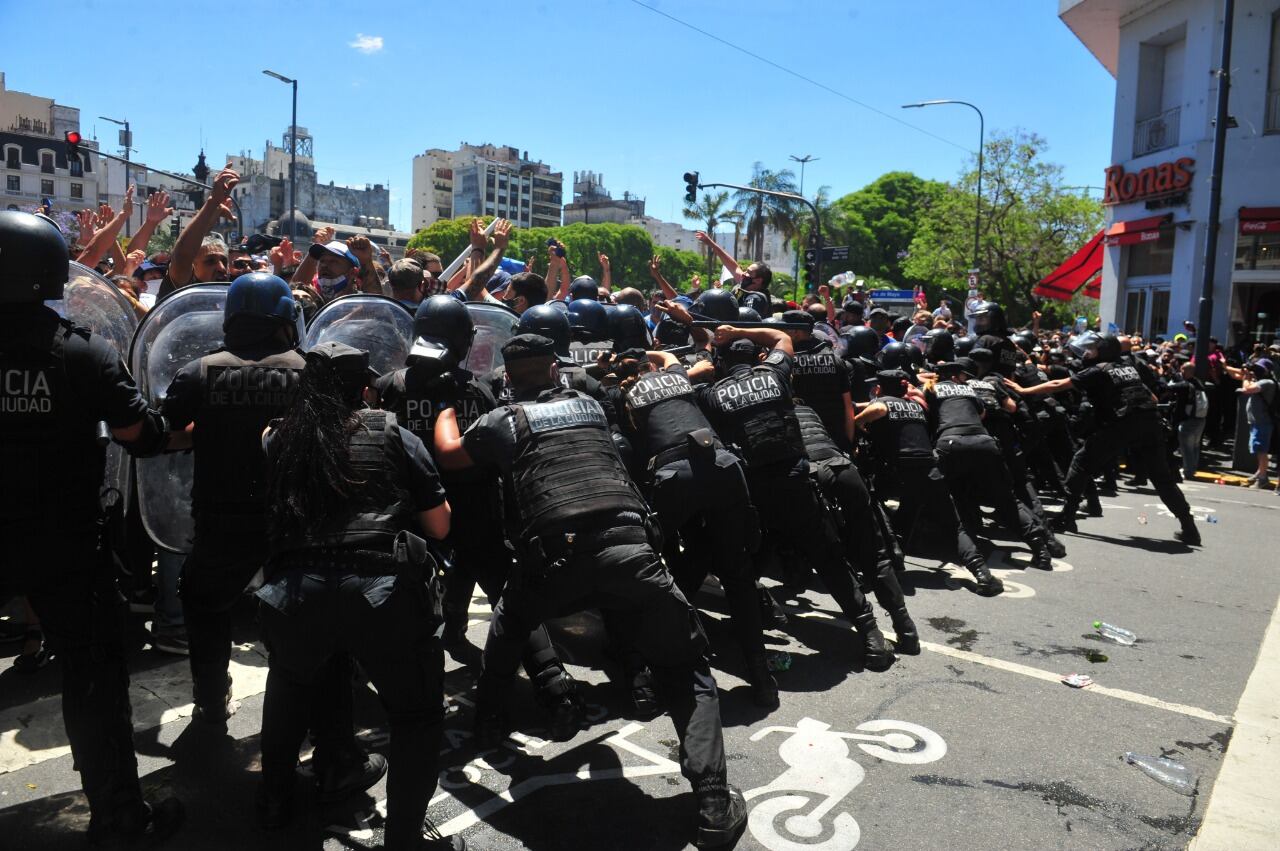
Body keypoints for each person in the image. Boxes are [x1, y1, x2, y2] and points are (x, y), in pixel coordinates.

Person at [433, 334, 748, 849]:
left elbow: (449, 454)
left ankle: (489, 722)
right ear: (555, 370)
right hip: (631, 550)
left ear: (510, 377)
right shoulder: (590, 406)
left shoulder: (502, 422)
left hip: (550, 561)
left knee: (509, 628)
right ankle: (713, 803)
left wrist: (447, 404)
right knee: (687, 668)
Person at [0, 210, 183, 842]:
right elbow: (138, 434)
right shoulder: (80, 349)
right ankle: (118, 813)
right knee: (95, 679)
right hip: (64, 541)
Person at [257, 342, 462, 850]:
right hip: (381, 592)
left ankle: (275, 799)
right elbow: (438, 526)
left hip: (294, 594)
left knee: (288, 692)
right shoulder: (393, 432)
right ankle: (404, 839)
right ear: (363, 388)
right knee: (416, 717)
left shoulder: (276, 438)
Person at [376, 296, 583, 738]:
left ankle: (408, 702)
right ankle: (554, 688)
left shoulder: (389, 387)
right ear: (464, 339)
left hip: (414, 517)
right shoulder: (478, 390)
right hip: (478, 513)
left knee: (401, 608)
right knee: (512, 600)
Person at [690, 324, 895, 670]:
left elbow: (680, 379)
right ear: (756, 357)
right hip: (795, 486)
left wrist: (704, 357)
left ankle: (753, 651)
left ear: (721, 364)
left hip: (751, 496)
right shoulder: (774, 374)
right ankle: (870, 634)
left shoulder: (713, 393)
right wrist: (739, 329)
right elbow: (781, 339)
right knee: (829, 559)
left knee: (741, 570)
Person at [612, 346, 777, 706]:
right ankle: (761, 675)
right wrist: (652, 350)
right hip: (722, 466)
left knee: (649, 566)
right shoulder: (676, 376)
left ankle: (648, 664)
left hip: (673, 476)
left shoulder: (625, 394)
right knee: (738, 575)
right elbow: (670, 359)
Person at [1019, 332, 1201, 545]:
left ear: (1102, 351)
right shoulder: (1128, 368)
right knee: (1162, 479)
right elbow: (1151, 397)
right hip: (1149, 423)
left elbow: (1059, 384)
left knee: (1080, 463)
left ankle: (1067, 516)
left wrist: (1024, 390)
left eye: (1093, 349)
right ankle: (1189, 527)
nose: (1088, 352)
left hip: (1123, 425)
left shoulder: (1099, 370)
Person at [854, 369, 1005, 596]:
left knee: (878, 516)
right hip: (930, 469)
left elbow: (858, 422)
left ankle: (882, 571)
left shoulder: (880, 405)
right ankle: (982, 573)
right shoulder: (917, 406)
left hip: (900, 472)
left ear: (878, 388)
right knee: (951, 524)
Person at [1224, 359, 1277, 489]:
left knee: (1261, 450)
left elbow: (1247, 389)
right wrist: (1226, 366)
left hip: (1263, 422)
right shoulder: (1260, 381)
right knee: (1258, 449)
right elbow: (1236, 374)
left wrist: (1247, 377)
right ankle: (1259, 473)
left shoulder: (1267, 382)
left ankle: (1263, 478)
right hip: (1258, 421)